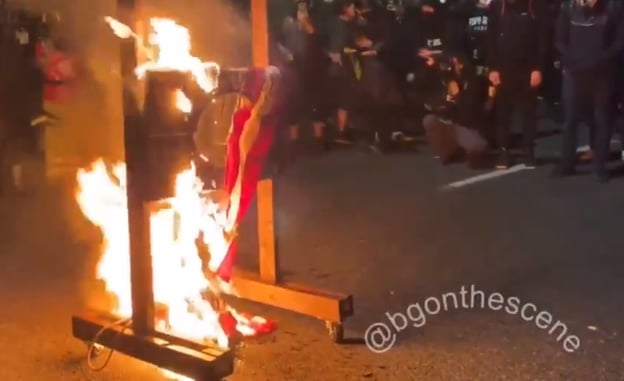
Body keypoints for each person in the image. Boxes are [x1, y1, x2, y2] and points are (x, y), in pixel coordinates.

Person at [551, 0, 624, 182]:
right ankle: (566, 164)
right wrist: (572, 59)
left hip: (602, 74)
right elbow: (560, 40)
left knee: (602, 120)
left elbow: (619, 42)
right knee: (570, 120)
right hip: (574, 74)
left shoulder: (614, 7)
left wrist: (600, 60)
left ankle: (600, 166)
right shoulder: (567, 7)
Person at [486, 0, 548, 169]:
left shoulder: (534, 6)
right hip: (503, 69)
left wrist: (538, 69)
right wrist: (492, 68)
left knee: (529, 113)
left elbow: (542, 39)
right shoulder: (497, 6)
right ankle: (504, 153)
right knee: (503, 114)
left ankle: (528, 152)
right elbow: (490, 38)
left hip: (528, 69)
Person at [423, 54, 489, 166]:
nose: (452, 66)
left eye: (455, 63)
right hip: (453, 125)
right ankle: (447, 153)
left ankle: (465, 150)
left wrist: (458, 95)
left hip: (468, 127)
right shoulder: (449, 80)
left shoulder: (475, 82)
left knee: (476, 148)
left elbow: (469, 112)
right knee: (429, 120)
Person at [327, 0, 359, 144]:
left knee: (343, 99)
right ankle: (341, 132)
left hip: (341, 68)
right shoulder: (341, 26)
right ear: (345, 8)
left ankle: (341, 129)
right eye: (352, 6)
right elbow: (338, 48)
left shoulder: (339, 24)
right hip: (342, 69)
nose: (355, 9)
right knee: (344, 100)